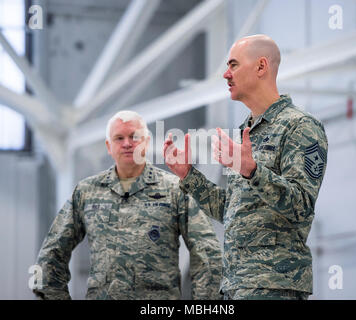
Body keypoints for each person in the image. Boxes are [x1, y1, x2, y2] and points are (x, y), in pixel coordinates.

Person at [163, 34, 328, 300]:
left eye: (234, 65)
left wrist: (252, 171)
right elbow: (233, 210)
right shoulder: (247, 132)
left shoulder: (301, 127)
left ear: (261, 67)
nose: (226, 74)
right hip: (234, 286)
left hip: (274, 287)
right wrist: (189, 176)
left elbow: (301, 206)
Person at [32, 110, 222, 300]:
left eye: (134, 137)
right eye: (119, 138)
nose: (127, 143)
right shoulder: (87, 192)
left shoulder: (176, 190)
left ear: (147, 142)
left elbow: (208, 253)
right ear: (108, 146)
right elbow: (50, 255)